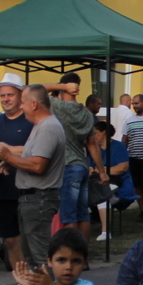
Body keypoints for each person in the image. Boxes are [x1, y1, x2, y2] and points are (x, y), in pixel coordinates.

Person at [0, 84, 64, 269]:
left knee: (40, 256)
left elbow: (38, 165)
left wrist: (8, 156)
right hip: (32, 198)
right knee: (31, 256)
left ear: (34, 104)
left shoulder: (47, 128)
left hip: (39, 197)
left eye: (23, 102)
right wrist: (13, 161)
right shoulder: (40, 126)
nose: (21, 107)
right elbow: (31, 156)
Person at [0, 78, 33, 285]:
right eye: (2, 95)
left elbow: (38, 148)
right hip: (3, 192)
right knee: (11, 241)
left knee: (31, 242)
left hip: (28, 190)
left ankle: (39, 283)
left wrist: (7, 151)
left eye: (9, 95)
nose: (5, 99)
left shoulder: (31, 120)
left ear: (20, 96)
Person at [48, 72, 102, 237]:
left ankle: (70, 249)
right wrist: (102, 171)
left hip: (67, 166)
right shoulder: (87, 113)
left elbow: (33, 90)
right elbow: (92, 144)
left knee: (69, 215)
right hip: (82, 165)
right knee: (83, 214)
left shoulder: (58, 106)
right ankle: (82, 249)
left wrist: (61, 86)